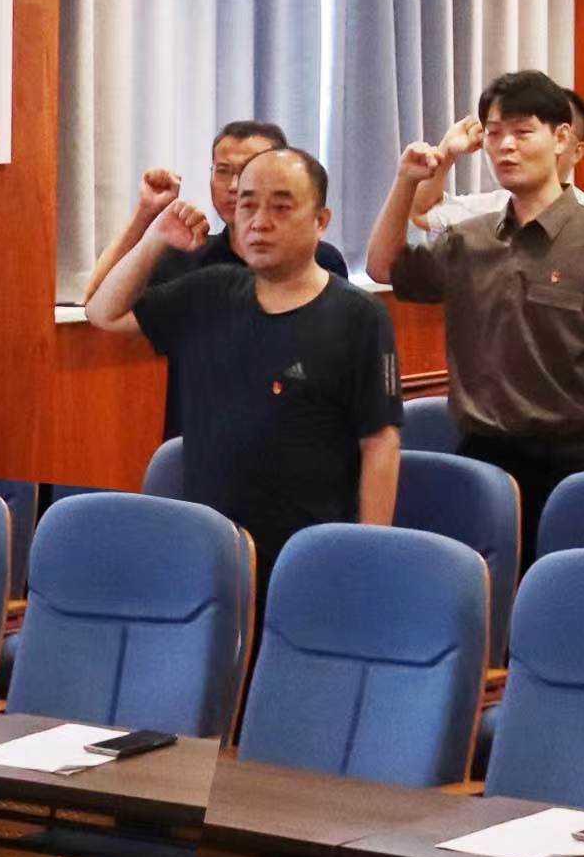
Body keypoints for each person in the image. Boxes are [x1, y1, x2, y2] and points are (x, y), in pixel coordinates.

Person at [371, 70, 584, 551]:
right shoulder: (469, 239)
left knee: (554, 586)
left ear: (561, 138)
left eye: (523, 132)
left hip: (568, 461)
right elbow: (382, 267)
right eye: (495, 133)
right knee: (477, 585)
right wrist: (405, 182)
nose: (505, 146)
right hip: (478, 454)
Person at [85, 145, 399, 577]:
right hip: (208, 553)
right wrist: (155, 239)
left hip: (307, 557)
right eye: (248, 205)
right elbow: (103, 312)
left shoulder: (359, 316)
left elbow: (380, 443)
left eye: (281, 207)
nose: (259, 222)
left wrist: (368, 554)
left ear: (321, 221)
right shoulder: (210, 292)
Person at [72, 119, 349, 437]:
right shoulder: (193, 261)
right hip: (201, 446)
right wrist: (148, 219)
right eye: (223, 171)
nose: (233, 186)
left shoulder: (320, 261)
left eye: (247, 170)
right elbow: (98, 304)